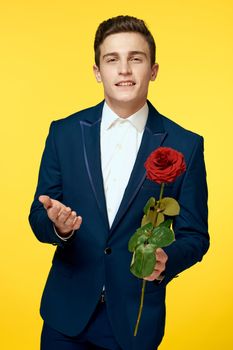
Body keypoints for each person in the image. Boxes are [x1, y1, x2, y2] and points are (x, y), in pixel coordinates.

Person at [29, 15, 209, 350]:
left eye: (135, 59)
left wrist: (167, 259)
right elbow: (38, 217)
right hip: (65, 317)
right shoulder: (64, 133)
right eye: (112, 60)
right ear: (98, 71)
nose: (124, 70)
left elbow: (196, 235)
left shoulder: (186, 145)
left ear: (153, 70)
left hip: (135, 318)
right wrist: (60, 228)